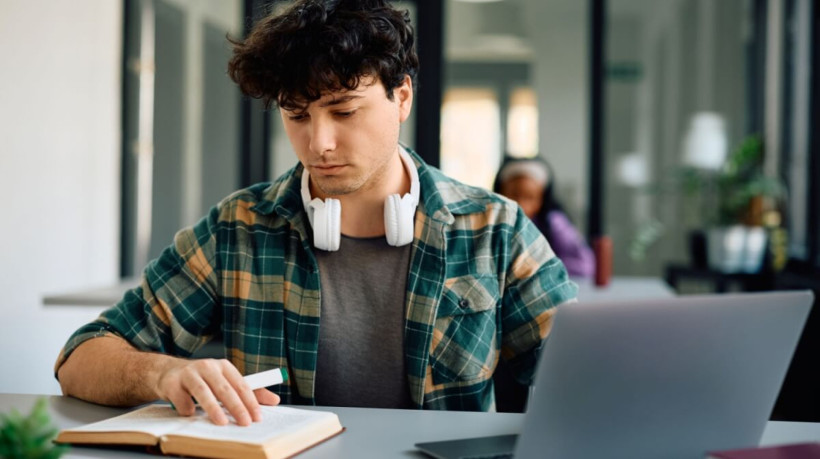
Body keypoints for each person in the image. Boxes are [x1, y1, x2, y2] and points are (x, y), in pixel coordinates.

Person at [54, 0, 577, 426]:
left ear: (402, 97)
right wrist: (164, 375)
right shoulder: (238, 229)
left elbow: (591, 378)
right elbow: (81, 356)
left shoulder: (497, 229)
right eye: (297, 115)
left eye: (344, 111)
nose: (318, 142)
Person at [493, 156, 595, 278]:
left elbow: (585, 265)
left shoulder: (554, 223)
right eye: (514, 194)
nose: (521, 204)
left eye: (530, 197)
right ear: (500, 193)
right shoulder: (489, 222)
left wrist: (537, 268)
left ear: (541, 200)